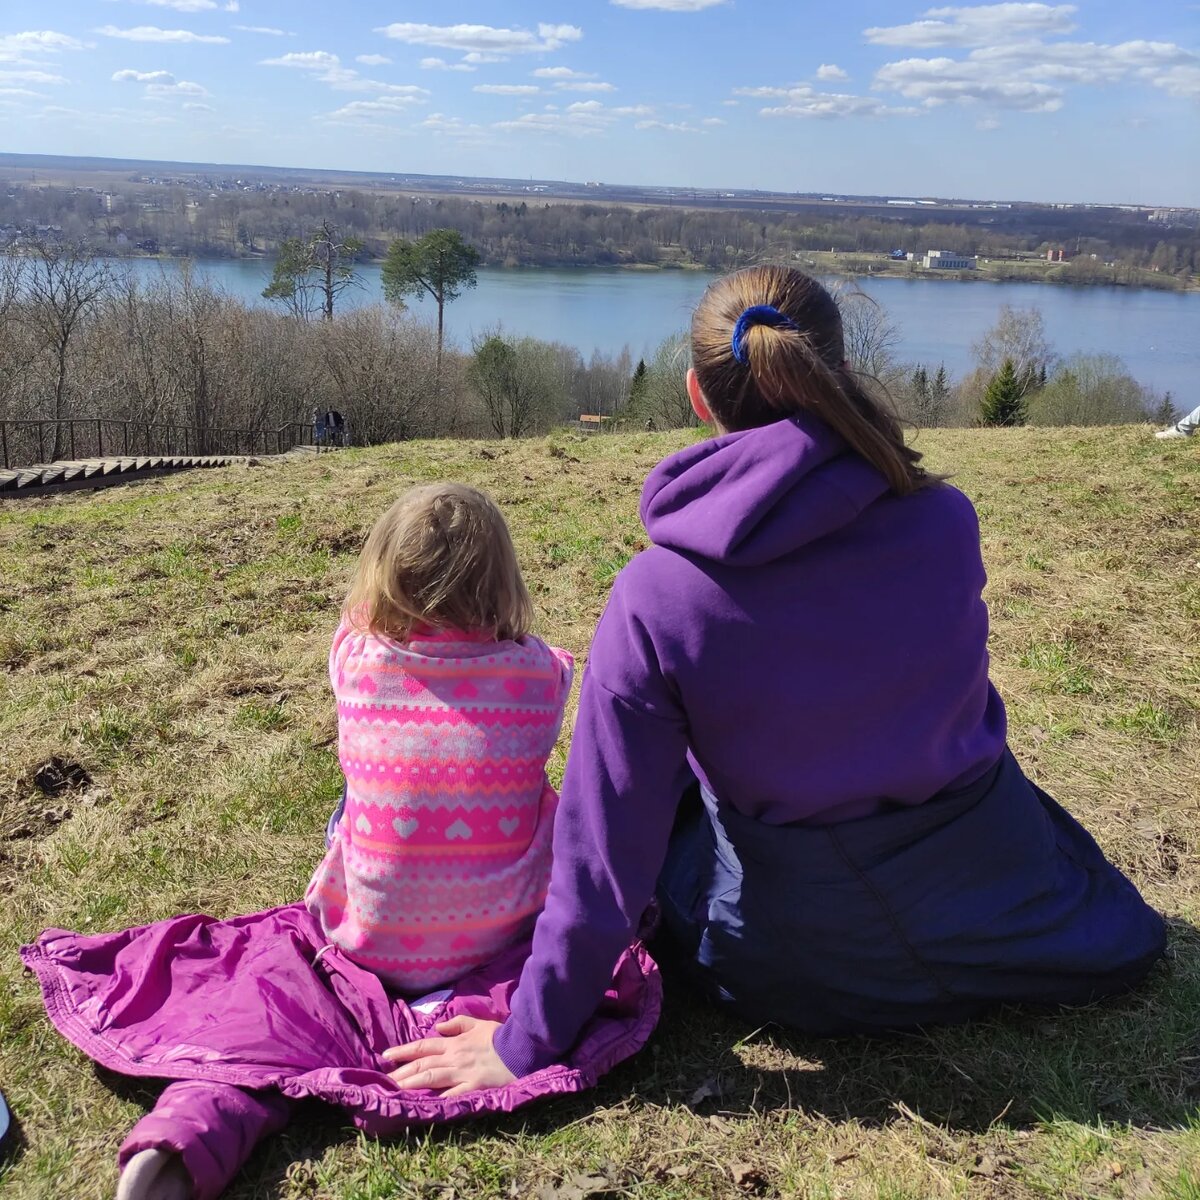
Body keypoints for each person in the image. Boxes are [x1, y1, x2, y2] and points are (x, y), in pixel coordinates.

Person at [385, 266, 1167, 1095]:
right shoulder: (945, 521)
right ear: (835, 371)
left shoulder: (657, 597)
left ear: (697, 394)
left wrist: (524, 1040)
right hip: (1005, 910)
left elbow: (606, 851)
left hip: (794, 963)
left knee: (679, 802)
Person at [26, 484, 615, 1200]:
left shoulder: (356, 662)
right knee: (530, 805)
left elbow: (353, 623)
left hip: (356, 946)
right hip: (496, 956)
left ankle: (181, 1144)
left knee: (264, 1028)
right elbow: (550, 657)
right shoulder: (544, 679)